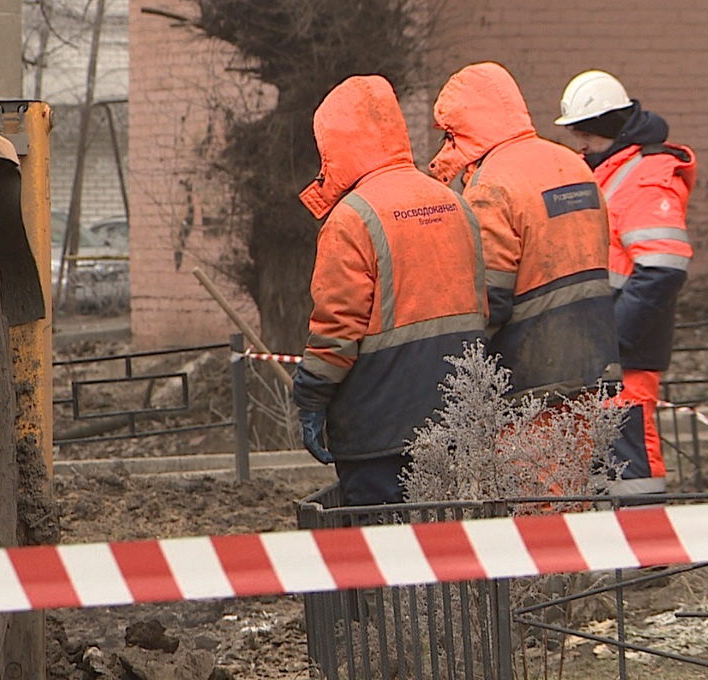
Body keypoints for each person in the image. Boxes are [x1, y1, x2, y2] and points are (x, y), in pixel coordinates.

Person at [293, 75, 487, 506]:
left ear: (335, 145)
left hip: (379, 426)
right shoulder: (455, 204)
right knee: (449, 545)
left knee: (384, 549)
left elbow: (336, 330)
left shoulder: (352, 217)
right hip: (458, 414)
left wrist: (311, 396)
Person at [429, 62, 620, 406]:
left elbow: (489, 300)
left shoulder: (491, 186)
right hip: (596, 366)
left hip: (533, 382)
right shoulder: (574, 165)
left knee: (535, 463)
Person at [555, 70, 696, 496]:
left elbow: (663, 269)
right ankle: (626, 556)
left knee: (630, 466)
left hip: (622, 354)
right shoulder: (619, 168)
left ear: (608, 129)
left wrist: (612, 341)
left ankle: (647, 558)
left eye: (586, 135)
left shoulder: (645, 173)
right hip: (611, 350)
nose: (579, 145)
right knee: (613, 465)